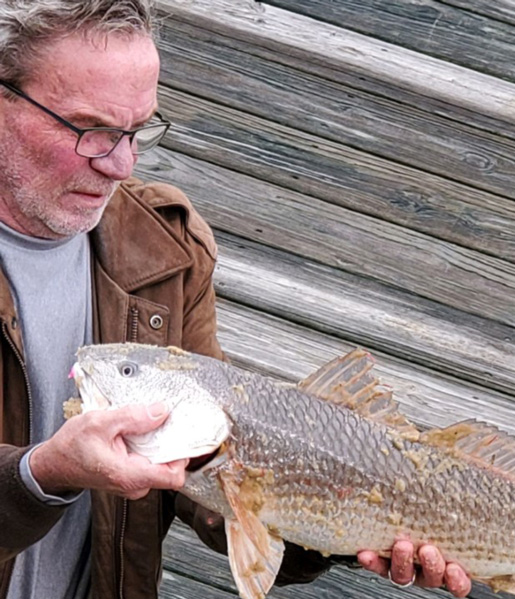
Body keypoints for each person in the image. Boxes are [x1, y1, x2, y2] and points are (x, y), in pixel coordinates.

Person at [0, 1, 472, 598]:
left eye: (137, 130)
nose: (120, 165)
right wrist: (42, 474)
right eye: (89, 129)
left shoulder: (162, 247)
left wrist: (342, 517)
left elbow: (208, 476)